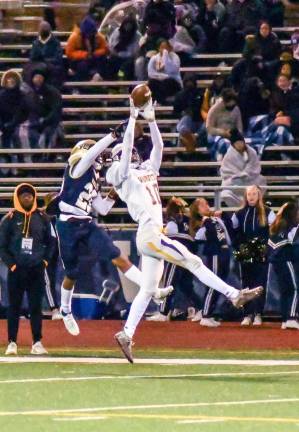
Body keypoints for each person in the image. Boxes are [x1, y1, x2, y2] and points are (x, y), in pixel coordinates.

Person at [106, 97, 263, 363]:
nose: (133, 154)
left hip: (153, 235)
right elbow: (126, 154)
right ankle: (233, 294)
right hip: (150, 233)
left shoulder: (144, 169)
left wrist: (152, 120)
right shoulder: (118, 174)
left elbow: (159, 146)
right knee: (193, 260)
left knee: (148, 288)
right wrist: (133, 117)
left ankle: (126, 333)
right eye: (128, 152)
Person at [55, 127, 172, 336]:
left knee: (119, 257)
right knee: (71, 273)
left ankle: (152, 290)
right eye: (99, 155)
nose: (101, 159)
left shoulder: (93, 179)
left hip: (86, 223)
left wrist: (114, 193)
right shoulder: (76, 169)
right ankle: (65, 309)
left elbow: (102, 209)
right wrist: (112, 137)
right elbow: (91, 154)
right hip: (67, 225)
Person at [0, 183, 56, 355]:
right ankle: (12, 343)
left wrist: (45, 261)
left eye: (30, 195)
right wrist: (12, 265)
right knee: (13, 307)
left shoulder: (43, 217)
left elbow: (52, 242)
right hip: (17, 270)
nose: (27, 197)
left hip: (36, 269)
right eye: (23, 195)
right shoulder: (9, 219)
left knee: (35, 307)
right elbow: (2, 246)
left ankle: (37, 342)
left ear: (34, 197)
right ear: (18, 197)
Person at [232, 185, 275, 326]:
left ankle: (258, 314)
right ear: (245, 196)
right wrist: (237, 247)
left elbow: (273, 231)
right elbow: (233, 231)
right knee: (246, 282)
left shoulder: (268, 212)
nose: (251, 196)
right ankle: (247, 314)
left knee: (260, 282)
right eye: (249, 194)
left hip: (261, 249)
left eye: (254, 194)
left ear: (259, 195)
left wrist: (267, 248)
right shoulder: (239, 213)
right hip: (245, 250)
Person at [190, 198, 233, 327]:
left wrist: (223, 216)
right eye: (203, 206)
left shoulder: (215, 219)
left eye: (207, 204)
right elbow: (199, 237)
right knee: (214, 283)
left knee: (220, 283)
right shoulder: (204, 222)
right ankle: (206, 314)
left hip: (225, 252)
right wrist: (207, 222)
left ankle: (209, 312)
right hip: (215, 253)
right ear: (198, 211)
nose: (207, 206)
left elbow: (229, 231)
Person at [18, 68, 62, 159]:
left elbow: (55, 110)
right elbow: (23, 110)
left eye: (40, 77)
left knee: (50, 134)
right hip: (33, 122)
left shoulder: (53, 92)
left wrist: (45, 120)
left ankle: (48, 159)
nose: (38, 79)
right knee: (25, 134)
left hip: (50, 122)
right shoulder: (28, 93)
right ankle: (31, 160)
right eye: (36, 77)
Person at [268, 201, 299, 330]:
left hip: (277, 262)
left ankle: (286, 319)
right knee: (295, 289)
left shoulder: (278, 224)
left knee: (285, 290)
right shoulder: (289, 226)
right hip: (286, 260)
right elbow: (290, 242)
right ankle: (291, 318)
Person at [220, 129, 266, 207]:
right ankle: (238, 202)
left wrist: (246, 173)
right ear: (233, 145)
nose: (239, 145)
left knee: (261, 180)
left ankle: (253, 201)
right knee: (226, 187)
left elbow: (255, 166)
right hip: (236, 182)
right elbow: (225, 171)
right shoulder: (229, 155)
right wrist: (237, 175)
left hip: (250, 180)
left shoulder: (251, 152)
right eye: (237, 143)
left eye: (241, 142)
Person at [66, 16, 109, 81]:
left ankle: (98, 78)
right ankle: (82, 85)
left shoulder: (98, 36)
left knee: (103, 60)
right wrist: (85, 54)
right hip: (79, 60)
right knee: (82, 65)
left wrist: (95, 53)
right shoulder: (74, 37)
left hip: (94, 57)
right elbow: (69, 53)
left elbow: (105, 49)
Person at [206, 88, 243, 161]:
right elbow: (209, 128)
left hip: (231, 135)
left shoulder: (236, 109)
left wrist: (236, 135)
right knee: (223, 145)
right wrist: (222, 133)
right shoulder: (215, 109)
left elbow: (239, 127)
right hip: (216, 136)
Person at [29, 21, 65, 88]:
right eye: (42, 28)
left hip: (51, 67)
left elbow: (58, 58)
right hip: (38, 67)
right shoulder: (35, 43)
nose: (43, 29)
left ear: (50, 30)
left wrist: (44, 62)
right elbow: (32, 58)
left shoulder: (56, 42)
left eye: (45, 28)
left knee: (57, 71)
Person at [147, 40, 182, 104]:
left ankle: (164, 101)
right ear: (158, 48)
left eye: (166, 47)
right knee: (152, 82)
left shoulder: (175, 57)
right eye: (162, 47)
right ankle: (157, 101)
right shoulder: (154, 58)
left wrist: (166, 58)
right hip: (159, 81)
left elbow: (172, 70)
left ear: (169, 48)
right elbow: (151, 73)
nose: (164, 49)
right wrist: (162, 76)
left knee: (167, 82)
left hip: (173, 81)